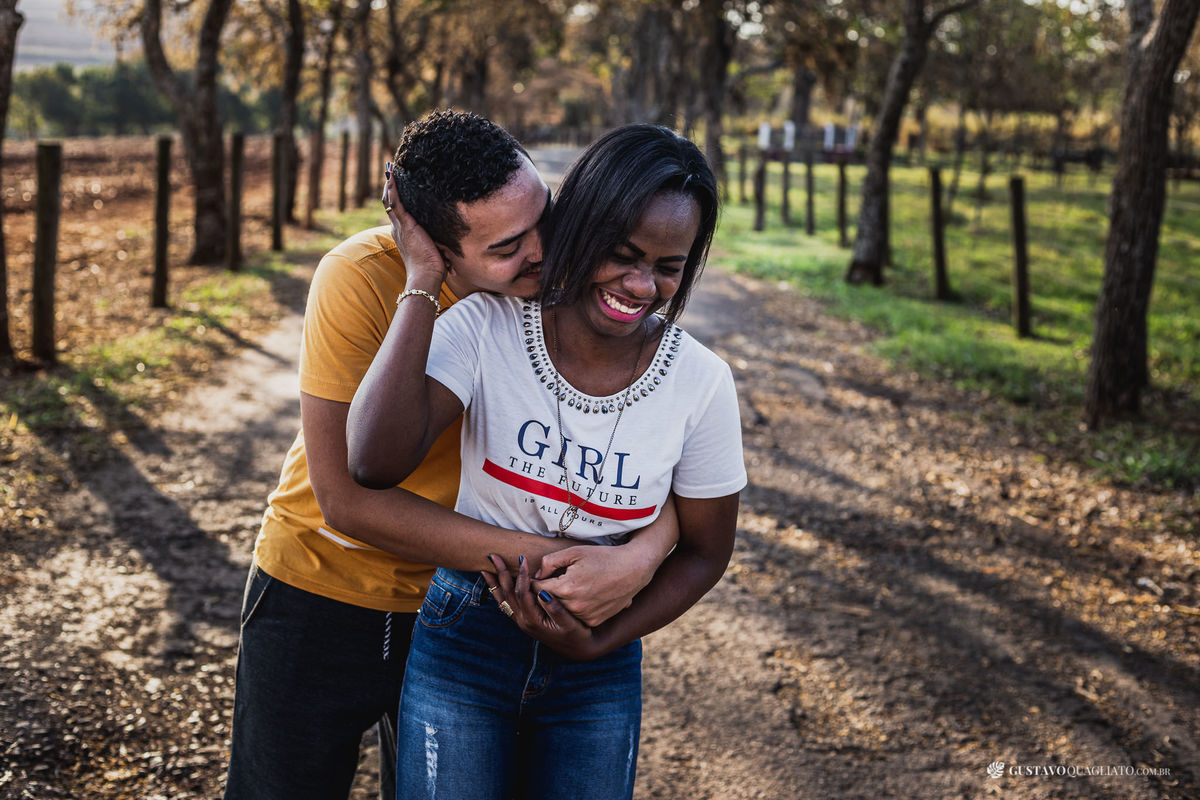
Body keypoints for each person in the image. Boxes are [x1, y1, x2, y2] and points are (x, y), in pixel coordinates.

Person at [224, 111, 678, 800]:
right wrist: (556, 557)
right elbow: (346, 499)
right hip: (319, 594)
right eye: (507, 247)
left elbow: (662, 451)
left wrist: (638, 558)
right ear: (435, 248)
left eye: (543, 219)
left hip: (470, 615)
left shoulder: (568, 294)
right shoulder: (360, 277)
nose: (542, 252)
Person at [347, 123, 746, 799]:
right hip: (464, 640)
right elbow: (373, 460)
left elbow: (707, 552)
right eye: (621, 254)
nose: (640, 284)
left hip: (599, 664)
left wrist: (602, 640)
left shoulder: (701, 383)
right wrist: (423, 279)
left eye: (669, 267)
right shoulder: (486, 327)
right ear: (579, 227)